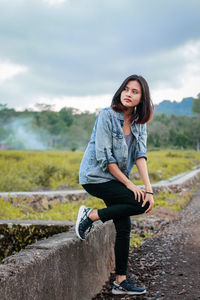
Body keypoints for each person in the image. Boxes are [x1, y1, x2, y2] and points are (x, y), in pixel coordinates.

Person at [75, 74, 154, 296]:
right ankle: (90, 216)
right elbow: (106, 159)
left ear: (142, 98)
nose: (128, 94)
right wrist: (131, 186)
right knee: (138, 204)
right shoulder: (106, 116)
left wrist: (149, 190)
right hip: (95, 177)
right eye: (126, 89)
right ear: (121, 91)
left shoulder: (139, 123)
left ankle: (120, 281)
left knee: (125, 225)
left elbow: (140, 155)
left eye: (135, 91)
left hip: (115, 179)